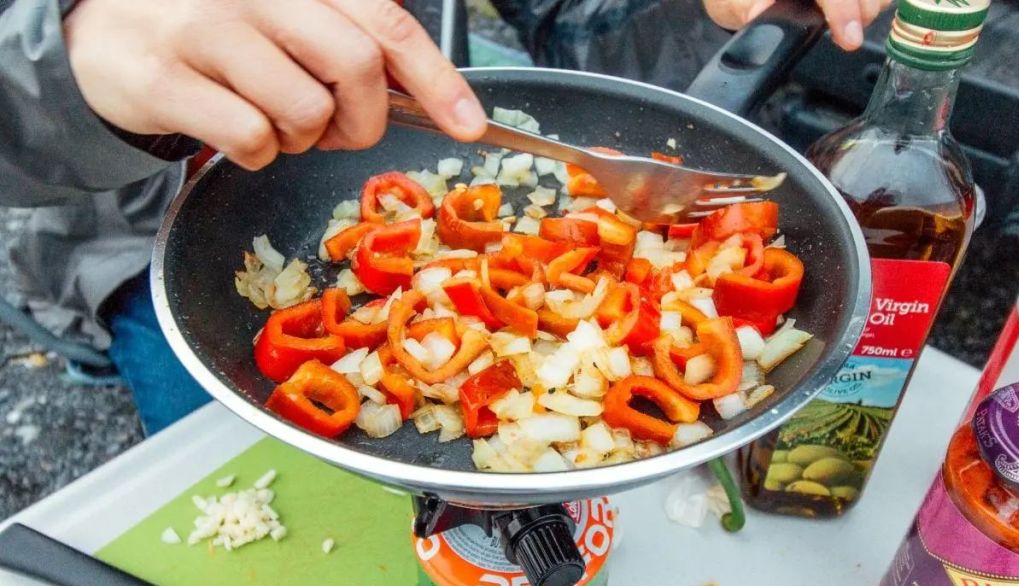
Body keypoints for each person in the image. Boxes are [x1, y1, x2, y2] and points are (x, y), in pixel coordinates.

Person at [0, 0, 888, 435]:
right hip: (119, 236)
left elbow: (585, 24)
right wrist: (70, 62)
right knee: (237, 500)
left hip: (417, 136)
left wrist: (701, 6)